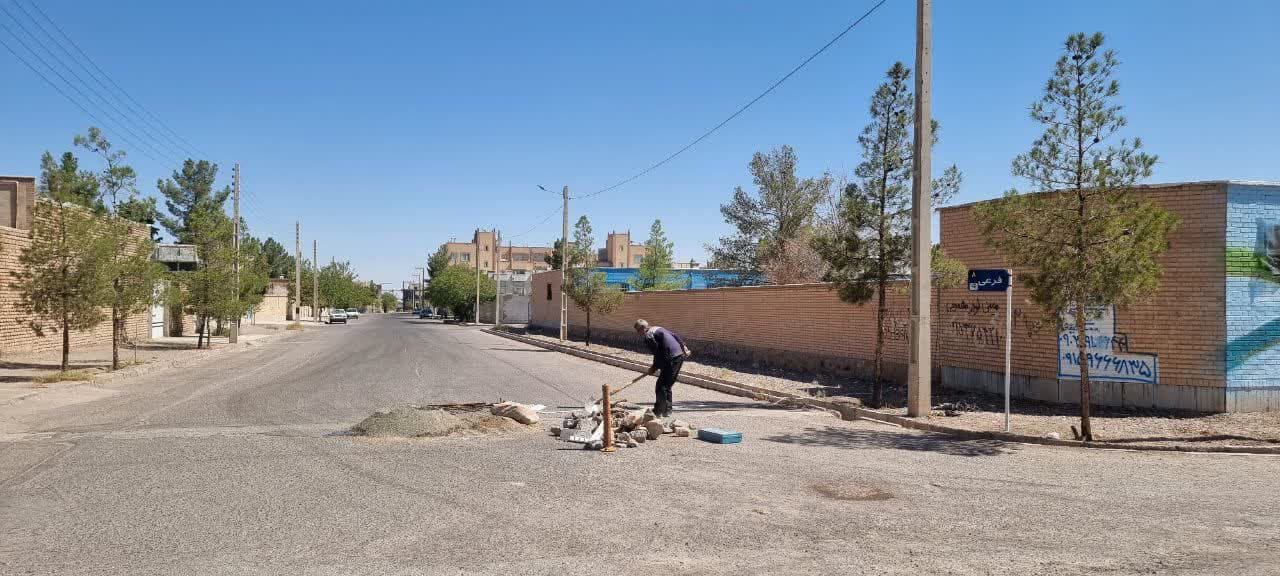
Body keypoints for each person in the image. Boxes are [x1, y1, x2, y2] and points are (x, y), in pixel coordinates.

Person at [631, 319, 691, 418]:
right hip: (679, 356)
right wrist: (684, 346)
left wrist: (653, 367)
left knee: (661, 386)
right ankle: (667, 410)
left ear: (642, 328)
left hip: (670, 358)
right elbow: (675, 335)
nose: (638, 334)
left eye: (638, 331)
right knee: (667, 385)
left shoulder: (648, 336)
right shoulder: (657, 328)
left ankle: (658, 411)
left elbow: (658, 353)